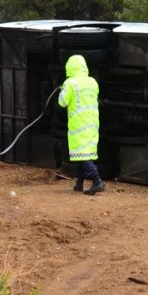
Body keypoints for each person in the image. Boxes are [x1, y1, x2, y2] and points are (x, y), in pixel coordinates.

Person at [58, 54, 104, 195]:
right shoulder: (92, 82)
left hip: (78, 124)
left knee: (82, 154)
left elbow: (62, 102)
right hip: (92, 122)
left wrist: (62, 90)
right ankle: (79, 183)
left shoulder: (70, 83)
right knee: (83, 152)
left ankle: (97, 181)